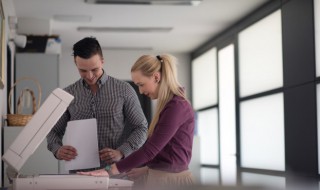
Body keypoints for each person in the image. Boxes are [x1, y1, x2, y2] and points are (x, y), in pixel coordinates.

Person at [78, 54, 195, 188]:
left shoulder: (177, 106)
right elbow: (168, 150)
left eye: (141, 84)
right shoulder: (169, 105)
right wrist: (146, 169)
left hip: (171, 181)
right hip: (161, 177)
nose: (140, 91)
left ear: (156, 77)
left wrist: (108, 171)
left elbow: (150, 150)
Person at [46, 37, 148, 172]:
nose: (89, 76)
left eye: (94, 69)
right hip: (79, 175)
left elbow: (141, 128)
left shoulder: (124, 90)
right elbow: (53, 130)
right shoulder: (67, 94)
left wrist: (121, 152)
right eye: (83, 70)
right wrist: (57, 150)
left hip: (114, 173)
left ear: (102, 61)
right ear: (75, 63)